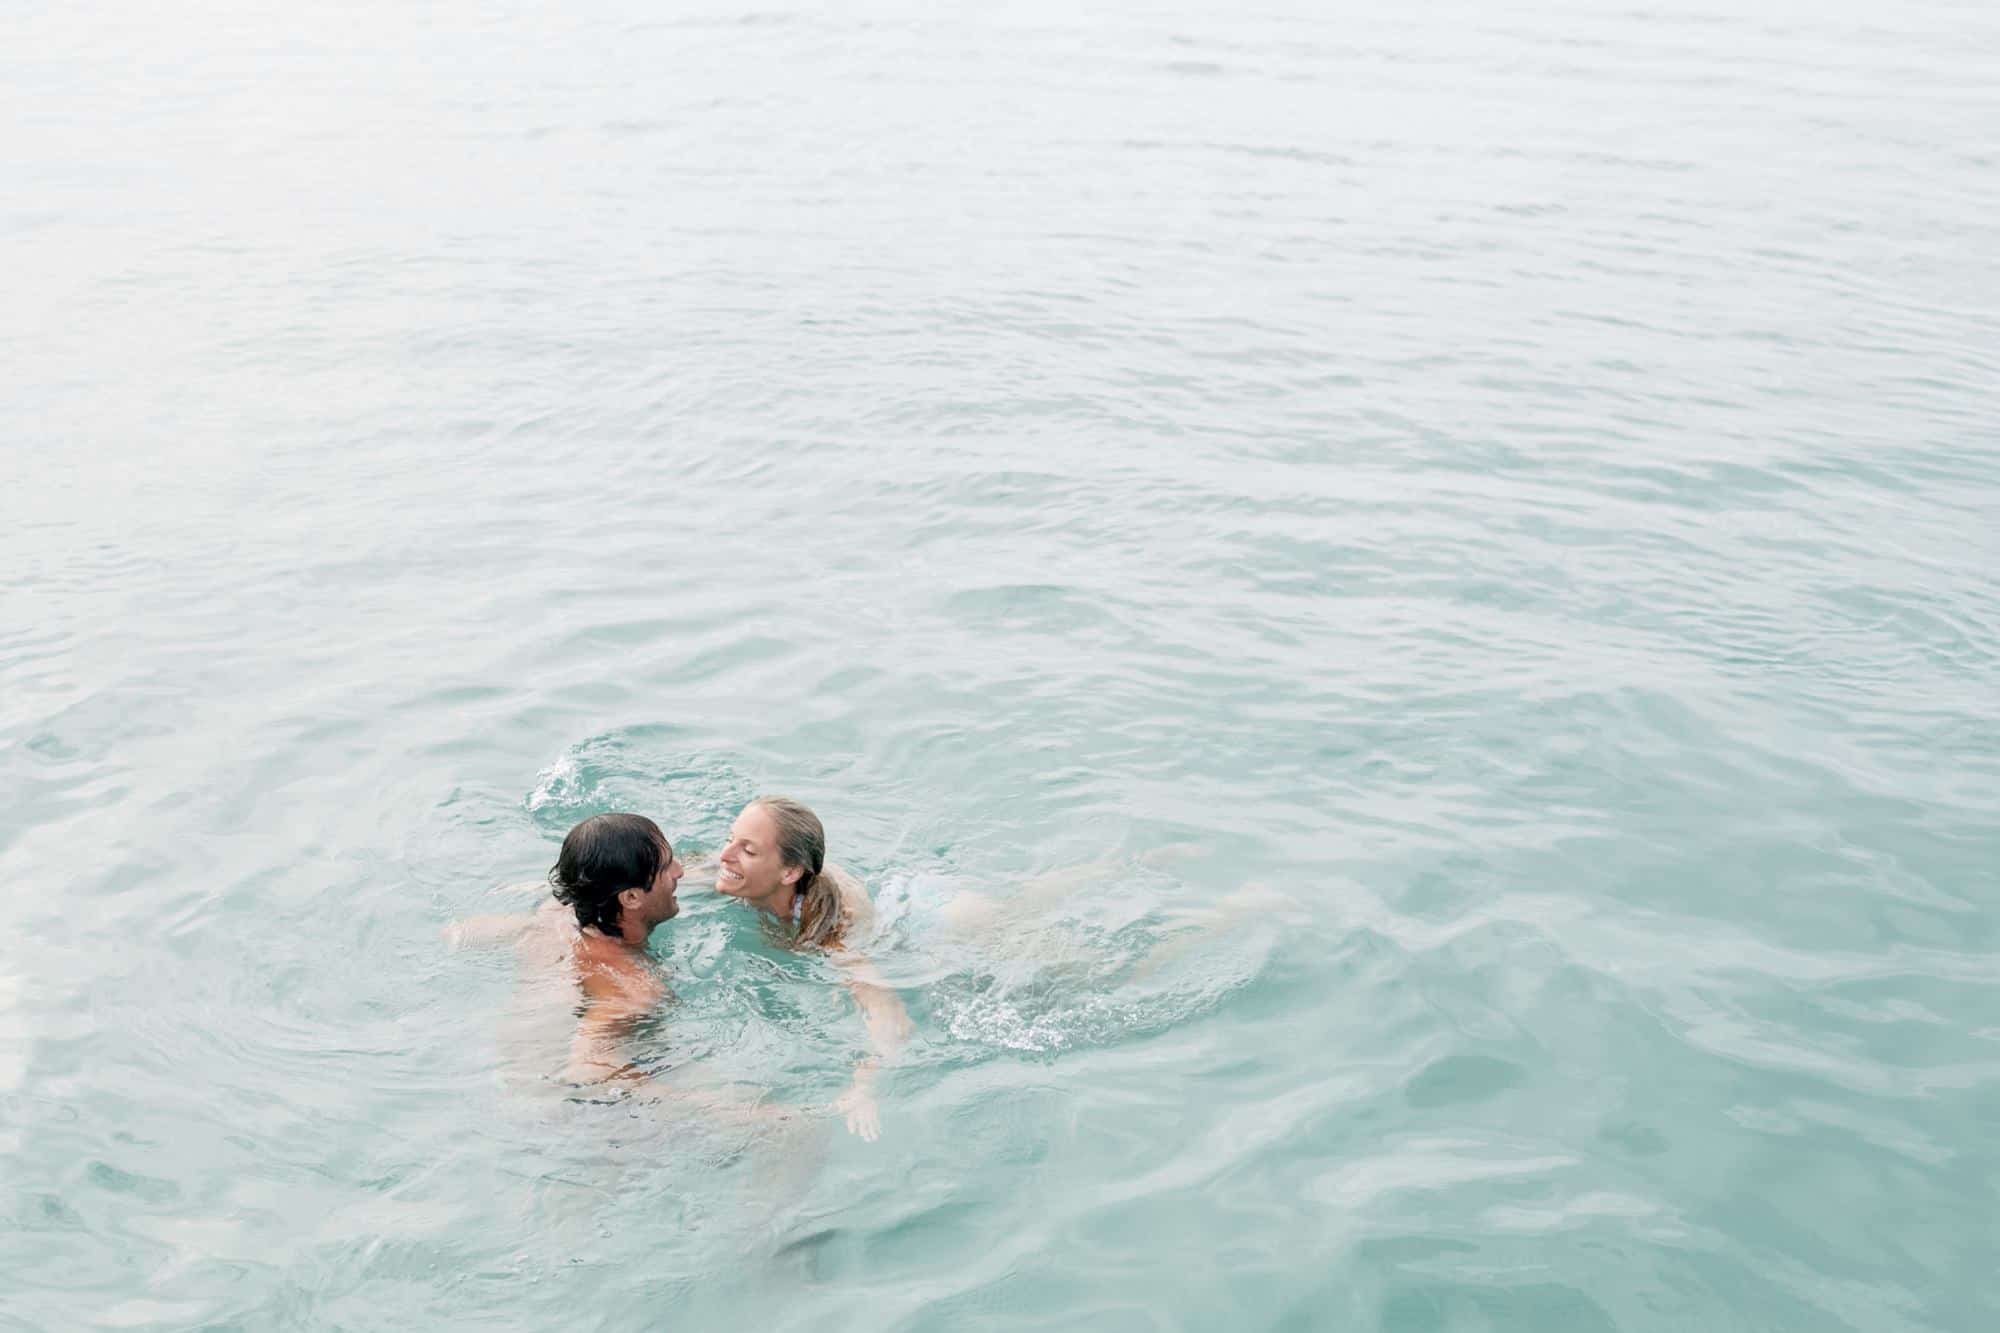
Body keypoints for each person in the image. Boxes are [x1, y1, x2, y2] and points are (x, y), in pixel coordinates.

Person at [711, 796, 911, 1141]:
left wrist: (864, 1086)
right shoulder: (738, 878)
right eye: (730, 838)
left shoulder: (831, 933)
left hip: (921, 921)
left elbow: (888, 1011)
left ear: (789, 872)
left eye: (749, 850)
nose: (725, 855)